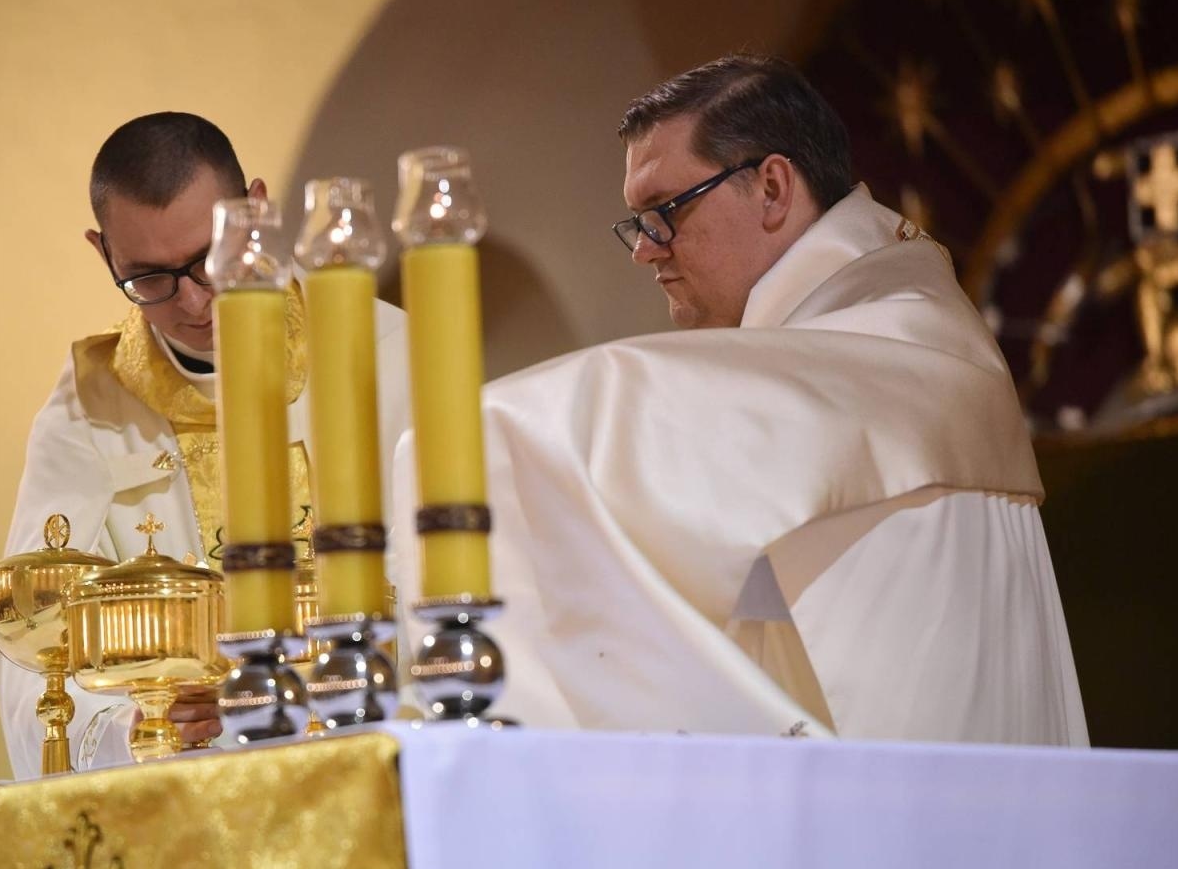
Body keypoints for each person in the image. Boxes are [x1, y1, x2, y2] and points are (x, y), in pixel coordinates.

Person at [394, 55, 1087, 743]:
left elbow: (606, 412)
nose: (646, 250)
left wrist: (471, 443)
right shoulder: (882, 327)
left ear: (774, 188)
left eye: (663, 211)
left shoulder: (889, 338)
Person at [0, 113, 411, 778]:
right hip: (191, 808)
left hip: (374, 773)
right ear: (104, 254)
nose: (193, 302)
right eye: (150, 278)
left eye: (207, 260)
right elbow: (35, 678)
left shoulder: (386, 354)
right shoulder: (84, 417)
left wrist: (310, 691)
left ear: (257, 208)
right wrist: (146, 723)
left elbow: (461, 589)